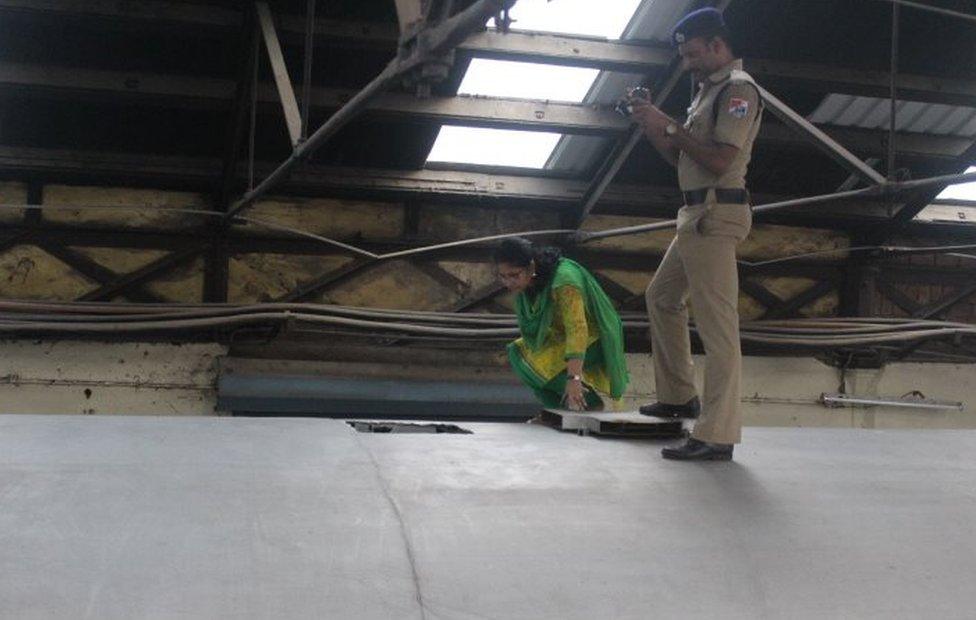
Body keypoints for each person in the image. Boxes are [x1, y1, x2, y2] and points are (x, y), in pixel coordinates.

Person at [629, 7, 763, 461]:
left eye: (693, 54)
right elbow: (682, 158)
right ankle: (678, 396)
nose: (688, 63)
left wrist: (670, 125)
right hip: (694, 213)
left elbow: (721, 160)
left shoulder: (738, 92)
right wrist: (652, 123)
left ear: (717, 46)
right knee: (661, 298)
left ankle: (717, 433)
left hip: (715, 216)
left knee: (717, 328)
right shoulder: (706, 93)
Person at [495, 238, 629, 412]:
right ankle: (556, 412)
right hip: (563, 336)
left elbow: (577, 329)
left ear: (532, 267)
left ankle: (590, 404)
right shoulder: (530, 284)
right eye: (503, 276)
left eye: (514, 275)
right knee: (518, 354)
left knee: (539, 368)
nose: (508, 283)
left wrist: (574, 378)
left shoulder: (564, 280)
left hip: (595, 336)